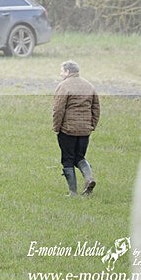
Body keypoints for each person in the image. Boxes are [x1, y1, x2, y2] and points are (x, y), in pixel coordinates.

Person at [52, 60, 100, 196]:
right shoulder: (89, 86)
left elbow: (58, 109)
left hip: (68, 130)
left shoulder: (64, 86)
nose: (61, 74)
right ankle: (89, 178)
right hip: (85, 130)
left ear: (68, 72)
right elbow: (96, 108)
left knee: (67, 159)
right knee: (79, 157)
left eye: (62, 71)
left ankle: (72, 192)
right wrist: (92, 125)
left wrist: (56, 127)